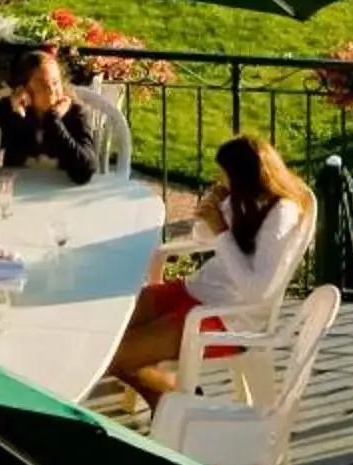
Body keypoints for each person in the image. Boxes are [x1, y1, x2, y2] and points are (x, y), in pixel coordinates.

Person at [108, 134, 314, 397]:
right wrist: (218, 211)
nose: (221, 181)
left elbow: (258, 291)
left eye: (226, 175)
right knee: (106, 326)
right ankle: (161, 390)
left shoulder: (281, 216)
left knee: (116, 353)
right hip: (197, 291)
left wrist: (221, 233)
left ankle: (167, 392)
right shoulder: (250, 201)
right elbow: (200, 237)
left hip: (228, 318)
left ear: (244, 178)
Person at [0, 48, 103, 185]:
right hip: (18, 189)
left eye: (56, 82)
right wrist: (16, 116)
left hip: (60, 189)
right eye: (41, 84)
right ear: (24, 88)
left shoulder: (75, 113)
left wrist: (54, 120)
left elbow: (85, 171)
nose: (51, 90)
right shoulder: (7, 109)